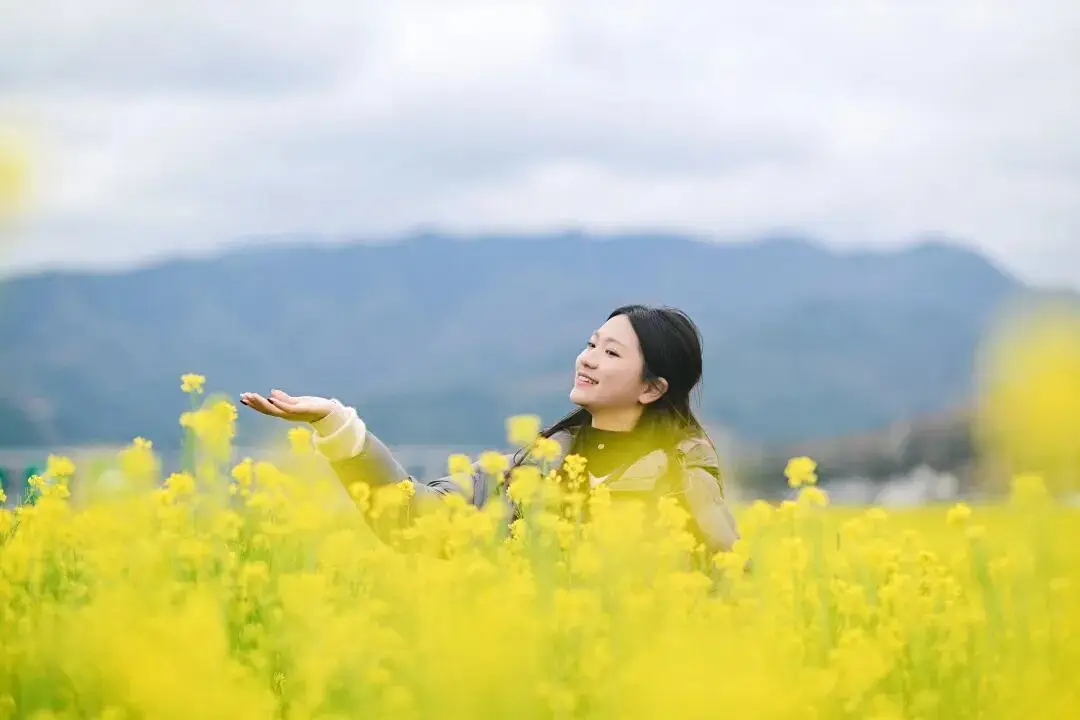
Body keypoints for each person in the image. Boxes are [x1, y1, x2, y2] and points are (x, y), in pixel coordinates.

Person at [241, 304, 739, 555]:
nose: (587, 359)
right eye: (591, 344)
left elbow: (724, 595)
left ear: (652, 388)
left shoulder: (684, 481)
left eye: (611, 353)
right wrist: (336, 423)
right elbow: (413, 521)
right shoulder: (531, 470)